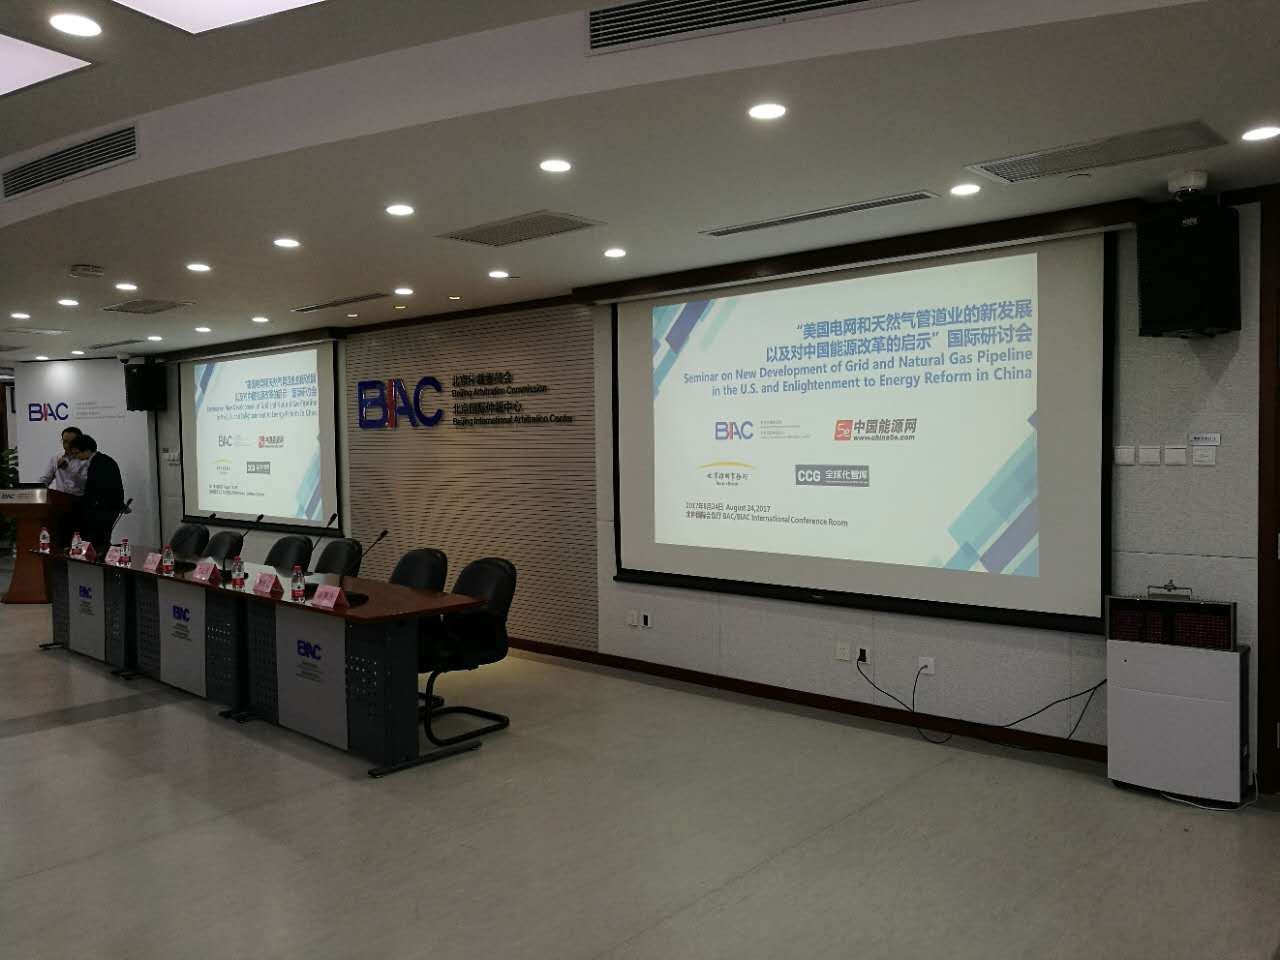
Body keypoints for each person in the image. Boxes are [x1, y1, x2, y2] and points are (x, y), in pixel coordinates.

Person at [66, 433, 126, 553]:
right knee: (100, 542)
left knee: (98, 543)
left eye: (77, 453)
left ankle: (102, 561)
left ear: (87, 450)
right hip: (106, 509)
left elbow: (97, 489)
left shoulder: (100, 463)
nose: (76, 457)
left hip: (102, 510)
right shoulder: (101, 460)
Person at [37, 426, 89, 496]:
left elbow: (85, 484)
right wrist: (35, 489)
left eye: (71, 442)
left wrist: (68, 468)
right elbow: (46, 479)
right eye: (65, 442)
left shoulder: (86, 459)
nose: (67, 445)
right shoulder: (56, 457)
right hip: (60, 499)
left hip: (79, 499)